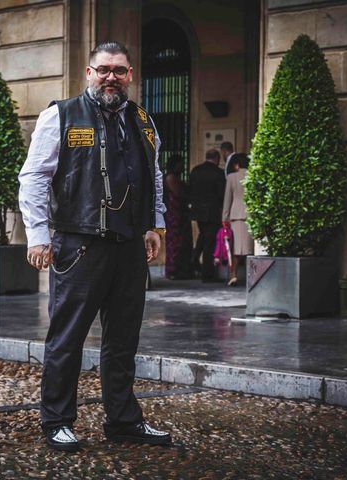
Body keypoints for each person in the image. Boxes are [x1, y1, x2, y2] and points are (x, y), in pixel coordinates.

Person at [18, 41, 171, 452]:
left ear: (130, 74)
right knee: (66, 338)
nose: (111, 77)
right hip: (78, 246)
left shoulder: (142, 118)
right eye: (103, 69)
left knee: (123, 340)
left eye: (119, 70)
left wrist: (155, 224)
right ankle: (56, 420)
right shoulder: (61, 115)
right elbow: (33, 178)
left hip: (129, 246)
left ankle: (122, 420)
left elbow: (153, 175)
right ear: (88, 72)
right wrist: (37, 235)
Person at [189, 149, 226, 282]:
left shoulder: (195, 170)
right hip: (212, 212)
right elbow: (222, 195)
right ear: (216, 158)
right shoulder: (219, 173)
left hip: (198, 211)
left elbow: (190, 190)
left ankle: (193, 259)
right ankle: (207, 274)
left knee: (203, 236)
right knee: (209, 242)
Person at [222, 153, 254, 286]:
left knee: (236, 249)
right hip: (251, 215)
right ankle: (253, 277)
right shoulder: (253, 176)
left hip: (236, 216)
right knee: (251, 249)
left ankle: (233, 275)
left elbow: (227, 199)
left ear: (236, 165)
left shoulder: (231, 177)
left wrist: (225, 217)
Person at [163, 155, 194, 279]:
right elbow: (178, 193)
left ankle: (179, 269)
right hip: (174, 215)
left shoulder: (174, 177)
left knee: (181, 242)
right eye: (180, 164)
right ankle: (174, 270)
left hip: (179, 214)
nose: (182, 167)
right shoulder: (171, 178)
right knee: (175, 243)